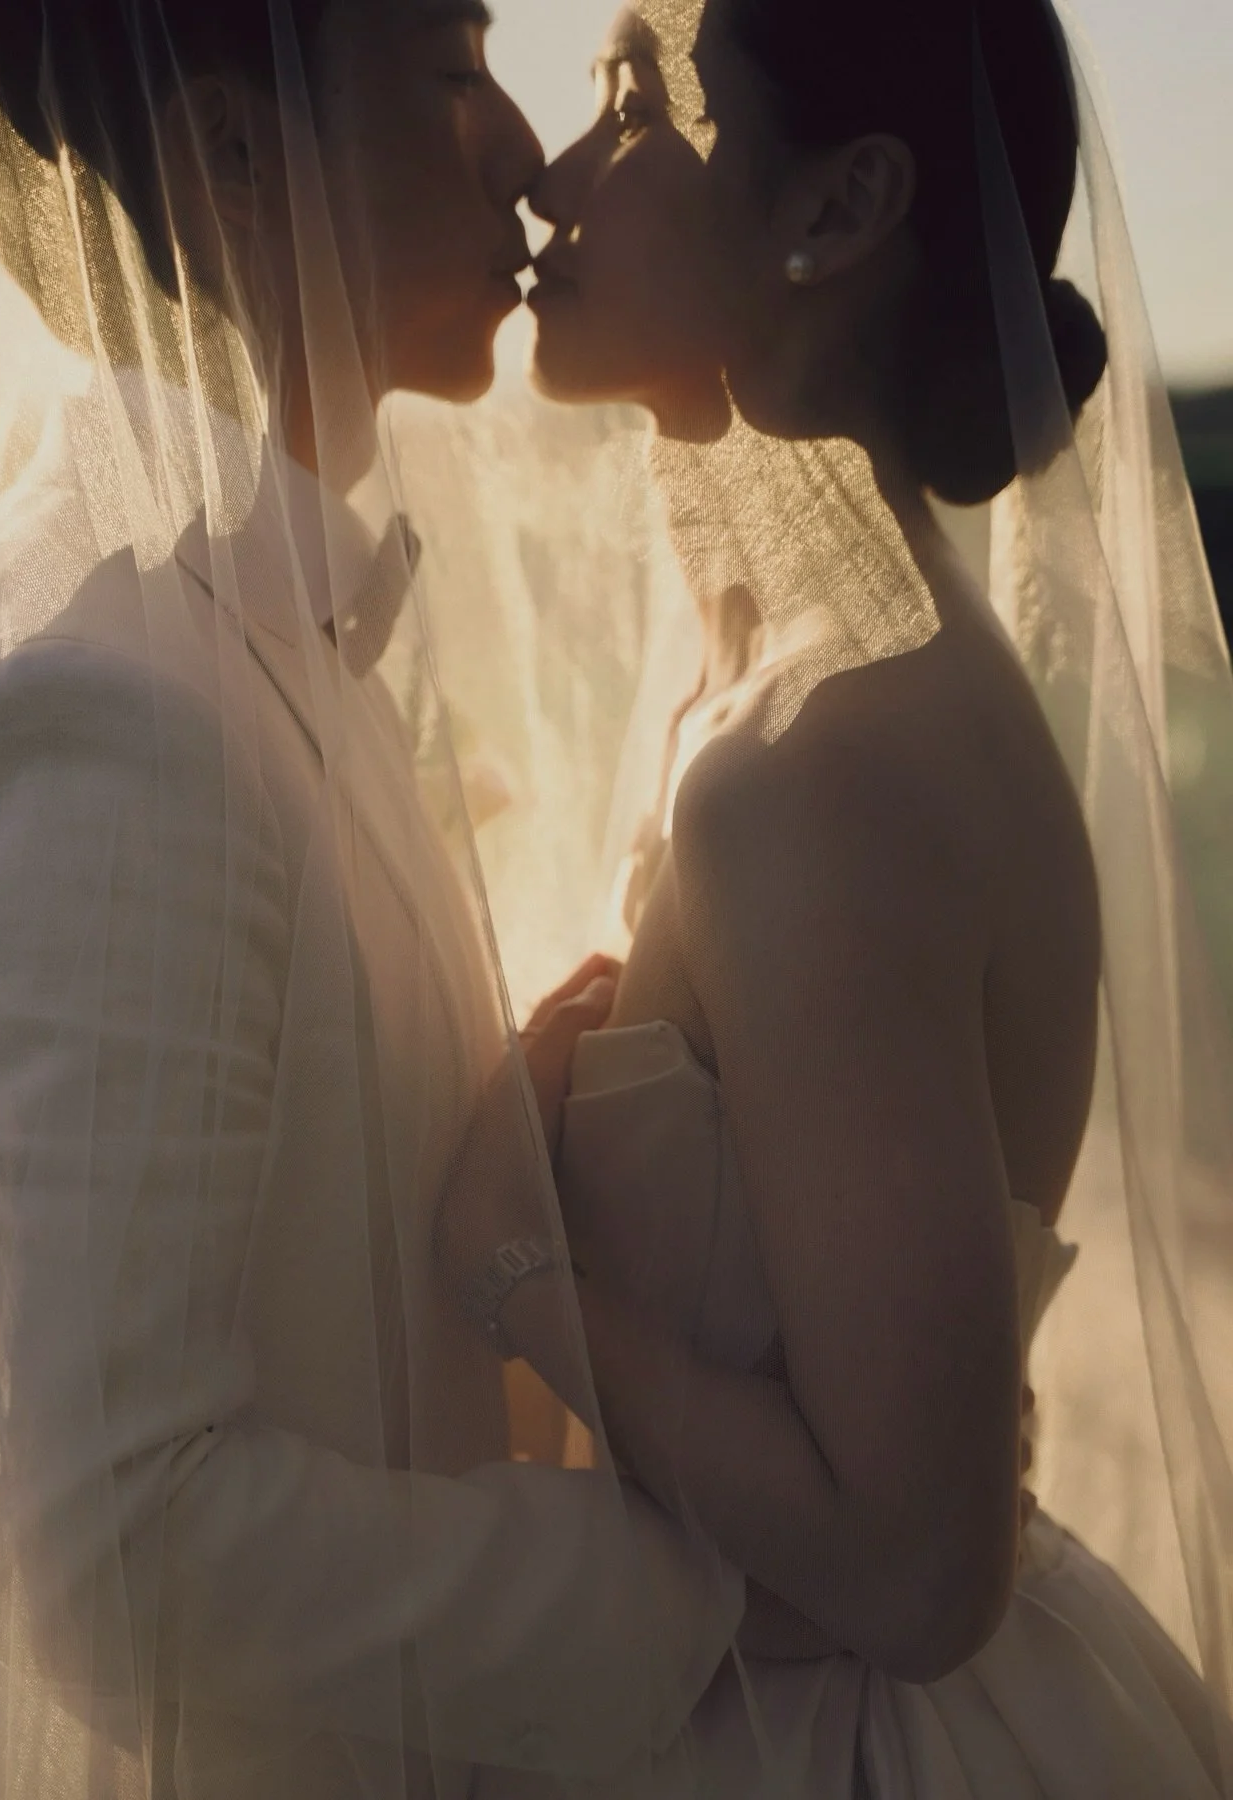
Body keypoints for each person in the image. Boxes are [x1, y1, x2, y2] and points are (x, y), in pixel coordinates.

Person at [0, 3, 749, 1797]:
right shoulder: (84, 718)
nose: (526, 150)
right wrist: (706, 1588)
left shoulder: (244, 629)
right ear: (233, 157)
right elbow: (110, 1548)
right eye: (456, 69)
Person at [436, 0, 1233, 1791]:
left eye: (633, 109)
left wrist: (527, 1270)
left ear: (841, 205)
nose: (555, 181)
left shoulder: (829, 763)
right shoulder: (800, 689)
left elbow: (922, 1564)